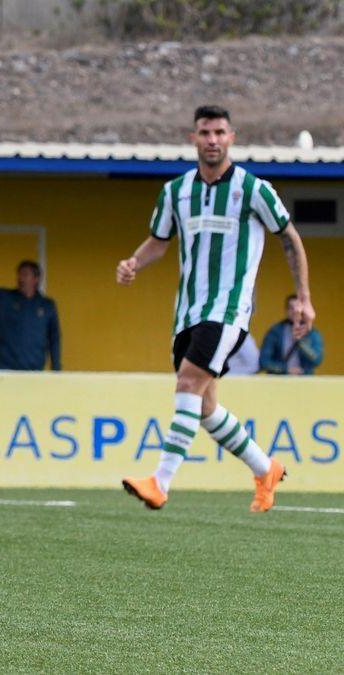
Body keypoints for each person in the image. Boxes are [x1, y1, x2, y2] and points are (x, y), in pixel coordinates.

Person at [117, 105, 315, 512]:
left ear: (232, 137)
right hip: (187, 310)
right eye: (205, 132)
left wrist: (305, 298)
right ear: (193, 138)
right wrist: (134, 261)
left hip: (228, 309)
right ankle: (266, 469)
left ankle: (161, 481)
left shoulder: (253, 189)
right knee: (205, 408)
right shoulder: (176, 192)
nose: (212, 140)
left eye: (219, 132)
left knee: (188, 385)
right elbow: (159, 240)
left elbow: (290, 238)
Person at [260, 294, 324, 375]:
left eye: (298, 308)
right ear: (286, 310)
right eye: (291, 308)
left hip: (304, 380)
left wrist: (300, 343)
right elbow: (264, 361)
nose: (295, 311)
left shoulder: (312, 333)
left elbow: (317, 360)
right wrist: (285, 369)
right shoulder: (275, 331)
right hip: (279, 380)